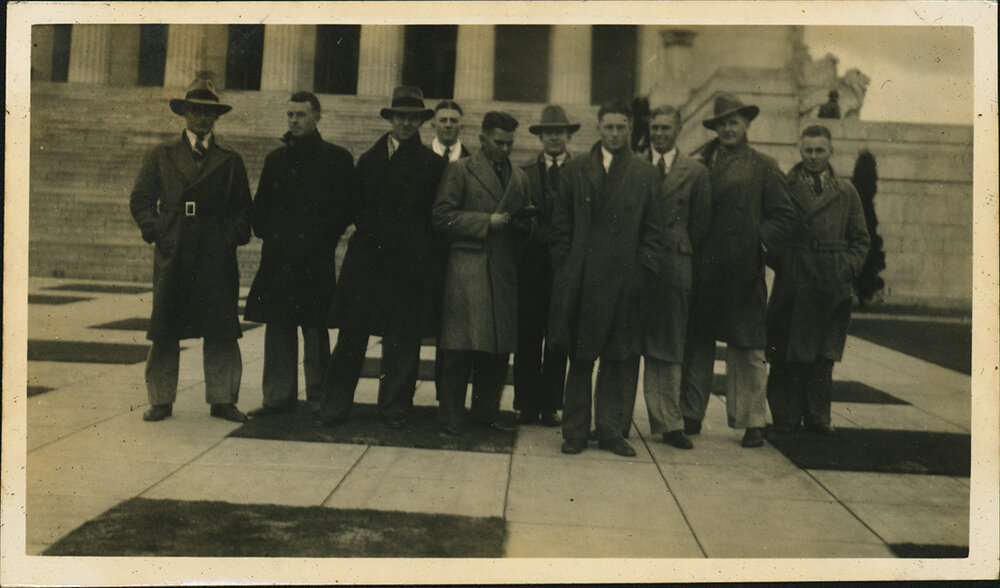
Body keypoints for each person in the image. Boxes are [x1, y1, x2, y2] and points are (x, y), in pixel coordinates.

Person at [314, 86, 447, 429]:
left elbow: (434, 218)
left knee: (402, 339)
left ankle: (394, 408)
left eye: (412, 118)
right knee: (351, 337)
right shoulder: (369, 160)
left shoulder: (433, 165)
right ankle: (335, 404)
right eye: (399, 116)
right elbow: (354, 204)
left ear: (421, 122)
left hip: (408, 264)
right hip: (367, 261)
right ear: (390, 119)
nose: (405, 123)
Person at [129, 76, 252, 423]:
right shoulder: (161, 155)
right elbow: (140, 199)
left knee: (222, 328)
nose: (203, 119)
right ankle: (161, 399)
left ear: (217, 118)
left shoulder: (230, 160)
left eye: (209, 113)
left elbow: (243, 208)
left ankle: (223, 398)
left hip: (215, 251)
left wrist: (229, 237)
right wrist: (159, 231)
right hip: (175, 248)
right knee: (165, 327)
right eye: (196, 112)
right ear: (185, 114)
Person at [548, 100, 666, 457]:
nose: (614, 134)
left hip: (625, 280)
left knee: (619, 358)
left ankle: (611, 430)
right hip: (583, 279)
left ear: (630, 129)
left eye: (621, 127)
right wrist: (566, 267)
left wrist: (641, 272)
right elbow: (560, 226)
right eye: (608, 127)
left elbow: (654, 230)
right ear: (598, 128)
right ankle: (575, 430)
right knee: (581, 358)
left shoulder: (645, 173)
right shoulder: (576, 170)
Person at [680, 93, 796, 448]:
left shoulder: (763, 164)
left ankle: (753, 422)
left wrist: (758, 243)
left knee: (748, 348)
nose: (728, 129)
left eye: (734, 122)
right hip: (702, 268)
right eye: (721, 124)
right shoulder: (698, 162)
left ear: (746, 125)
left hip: (743, 270)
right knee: (696, 344)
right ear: (713, 128)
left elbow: (785, 216)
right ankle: (690, 414)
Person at [243, 91, 355, 416]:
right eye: (290, 114)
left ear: (317, 117)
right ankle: (278, 397)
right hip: (278, 256)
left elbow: (345, 208)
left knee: (315, 328)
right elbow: (260, 207)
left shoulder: (337, 158)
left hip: (315, 257)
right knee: (278, 326)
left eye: (301, 115)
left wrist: (321, 237)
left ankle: (320, 397)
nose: (294, 121)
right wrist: (271, 233)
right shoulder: (274, 160)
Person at [432, 111, 532, 436]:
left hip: (503, 270)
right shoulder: (460, 170)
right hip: (468, 267)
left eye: (509, 143)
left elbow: (526, 222)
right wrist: (485, 222)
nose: (504, 148)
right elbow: (442, 216)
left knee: (497, 349)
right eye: (498, 142)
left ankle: (485, 415)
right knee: (460, 348)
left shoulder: (519, 177)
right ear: (482, 139)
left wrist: (523, 225)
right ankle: (450, 417)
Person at [766, 125, 870, 435]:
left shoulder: (846, 192)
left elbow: (860, 240)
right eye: (808, 150)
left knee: (823, 356)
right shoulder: (784, 187)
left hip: (831, 283)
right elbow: (772, 233)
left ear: (831, 152)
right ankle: (784, 416)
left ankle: (817, 417)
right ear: (800, 151)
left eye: (820, 150)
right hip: (794, 282)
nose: (813, 157)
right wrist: (789, 265)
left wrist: (845, 268)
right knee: (785, 352)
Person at [632, 105, 711, 449]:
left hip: (674, 262)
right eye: (655, 127)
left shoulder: (695, 170)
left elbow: (701, 223)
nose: (660, 133)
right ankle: (616, 419)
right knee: (627, 340)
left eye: (666, 128)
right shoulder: (635, 164)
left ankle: (669, 422)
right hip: (637, 261)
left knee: (668, 341)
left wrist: (678, 247)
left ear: (678, 129)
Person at [512, 105, 578, 427]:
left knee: (557, 336)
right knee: (527, 335)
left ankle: (551, 403)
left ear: (568, 135)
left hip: (564, 267)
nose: (553, 136)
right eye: (547, 131)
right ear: (539, 136)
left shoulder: (580, 172)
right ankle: (526, 403)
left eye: (559, 131)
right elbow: (519, 217)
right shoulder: (523, 173)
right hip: (531, 267)